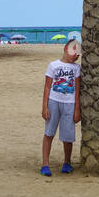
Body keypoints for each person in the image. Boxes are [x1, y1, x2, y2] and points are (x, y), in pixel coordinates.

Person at [40, 39, 81, 175]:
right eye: (73, 50)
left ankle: (67, 162)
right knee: (49, 133)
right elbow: (47, 87)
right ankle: (45, 164)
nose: (76, 55)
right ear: (65, 48)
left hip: (69, 103)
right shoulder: (53, 65)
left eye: (78, 53)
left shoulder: (76, 68)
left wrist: (77, 110)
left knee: (68, 136)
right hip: (53, 101)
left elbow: (77, 90)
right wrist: (45, 106)